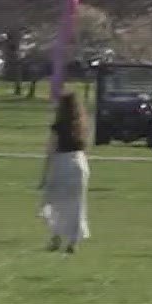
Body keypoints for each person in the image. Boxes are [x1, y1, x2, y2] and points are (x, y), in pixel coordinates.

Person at [38, 92, 90, 254]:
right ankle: (73, 241)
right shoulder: (82, 126)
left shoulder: (58, 127)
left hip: (62, 163)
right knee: (76, 205)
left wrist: (44, 175)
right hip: (80, 163)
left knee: (56, 203)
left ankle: (56, 238)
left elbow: (50, 150)